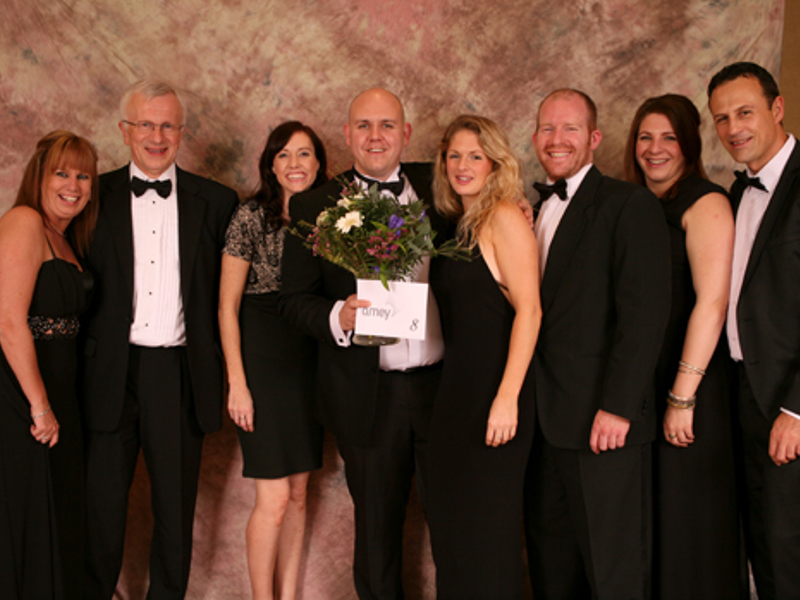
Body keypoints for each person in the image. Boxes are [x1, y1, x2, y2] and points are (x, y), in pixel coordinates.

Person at [279, 87, 451, 600]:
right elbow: (293, 300)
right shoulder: (313, 205)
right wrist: (340, 315)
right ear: (348, 133)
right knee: (377, 532)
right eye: (363, 126)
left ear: (407, 133)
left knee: (456, 523)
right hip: (367, 393)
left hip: (444, 388)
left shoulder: (445, 188)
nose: (376, 137)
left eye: (387, 125)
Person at [81, 79, 238, 598]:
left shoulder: (216, 202)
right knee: (100, 513)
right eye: (146, 124)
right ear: (125, 131)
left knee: (175, 515)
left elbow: (234, 297)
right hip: (108, 373)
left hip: (178, 373)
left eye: (168, 125)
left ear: (182, 133)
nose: (157, 135)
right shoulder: (91, 195)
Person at [523, 89, 671, 599]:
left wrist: (618, 407)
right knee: (552, 567)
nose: (556, 139)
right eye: (547, 128)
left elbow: (645, 316)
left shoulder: (629, 205)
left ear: (594, 138)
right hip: (541, 423)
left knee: (614, 573)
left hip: (601, 424)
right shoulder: (532, 211)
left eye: (569, 129)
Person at [624, 94, 746, 599]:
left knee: (689, 525)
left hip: (690, 387)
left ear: (689, 144)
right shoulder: (634, 204)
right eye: (645, 137)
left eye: (669, 137)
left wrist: (682, 396)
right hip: (644, 389)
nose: (655, 149)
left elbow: (712, 304)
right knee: (649, 524)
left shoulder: (706, 202)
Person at [423, 115, 540, 599]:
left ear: (495, 163)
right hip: (455, 399)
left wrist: (507, 397)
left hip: (495, 400)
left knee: (486, 541)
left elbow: (530, 312)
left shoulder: (504, 218)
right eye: (454, 155)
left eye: (476, 155)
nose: (463, 165)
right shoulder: (458, 225)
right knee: (453, 537)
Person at [219, 121, 326, 599]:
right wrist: (237, 383)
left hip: (311, 359)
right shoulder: (249, 217)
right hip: (261, 360)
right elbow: (227, 306)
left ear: (319, 163)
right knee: (275, 497)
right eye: (284, 155)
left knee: (300, 493)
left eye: (304, 154)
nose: (294, 164)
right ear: (271, 164)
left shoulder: (331, 217)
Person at [708, 61, 800, 600]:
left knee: (789, 551)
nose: (733, 128)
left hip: (787, 402)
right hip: (739, 395)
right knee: (761, 546)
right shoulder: (735, 192)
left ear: (777, 108)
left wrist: (796, 408)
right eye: (721, 118)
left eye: (745, 112)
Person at [0, 130, 98, 599]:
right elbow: (7, 322)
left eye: (83, 176)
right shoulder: (24, 221)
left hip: (62, 392)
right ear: (39, 176)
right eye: (62, 173)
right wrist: (39, 406)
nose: (74, 185)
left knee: (59, 513)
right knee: (29, 516)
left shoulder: (65, 238)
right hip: (23, 399)